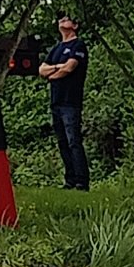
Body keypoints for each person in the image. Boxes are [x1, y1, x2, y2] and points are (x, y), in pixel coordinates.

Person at [39, 12, 90, 191]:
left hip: (71, 101)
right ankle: (69, 180)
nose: (62, 20)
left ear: (74, 26)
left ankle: (81, 181)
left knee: (73, 141)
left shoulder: (79, 45)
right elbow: (42, 69)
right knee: (62, 142)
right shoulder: (56, 48)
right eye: (61, 19)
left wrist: (54, 74)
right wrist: (56, 67)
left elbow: (69, 67)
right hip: (56, 101)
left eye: (67, 19)